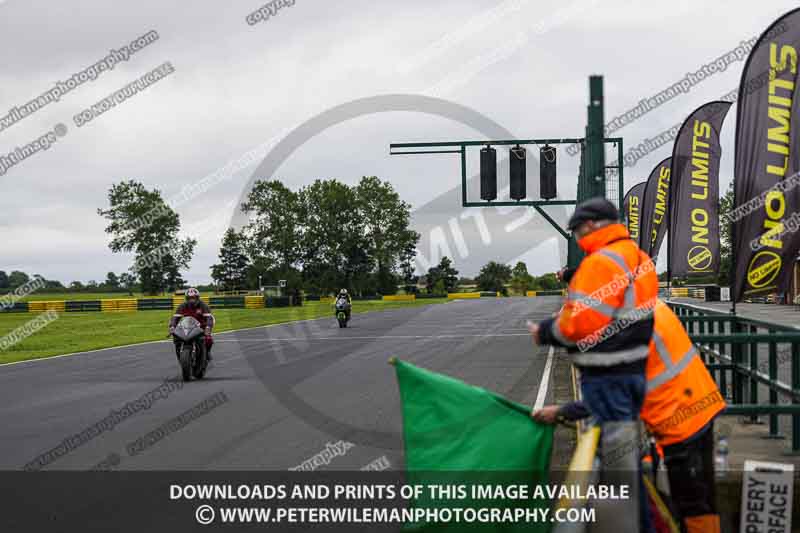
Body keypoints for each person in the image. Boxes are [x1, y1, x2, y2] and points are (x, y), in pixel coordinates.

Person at [533, 298, 725, 533]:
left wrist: (562, 411)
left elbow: (609, 399)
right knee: (703, 497)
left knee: (692, 502)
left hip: (679, 420)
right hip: (700, 402)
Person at [527, 197, 658, 531]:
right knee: (626, 473)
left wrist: (544, 331)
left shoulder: (601, 263)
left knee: (619, 479)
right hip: (632, 373)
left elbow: (581, 324)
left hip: (607, 376)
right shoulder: (638, 258)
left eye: (578, 231)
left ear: (591, 226)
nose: (577, 238)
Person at [169, 287, 215, 360]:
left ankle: (207, 352)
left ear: (197, 298)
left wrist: (208, 327)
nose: (192, 300)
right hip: (187, 325)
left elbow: (209, 318)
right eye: (189, 298)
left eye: (193, 298)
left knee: (208, 339)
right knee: (176, 338)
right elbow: (175, 318)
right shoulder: (182, 306)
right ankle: (179, 352)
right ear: (186, 298)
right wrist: (172, 326)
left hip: (202, 325)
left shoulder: (203, 305)